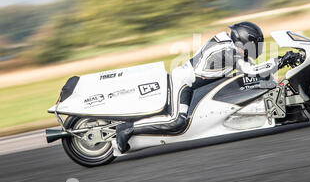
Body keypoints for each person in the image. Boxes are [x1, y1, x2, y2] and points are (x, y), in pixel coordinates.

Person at [116, 21, 300, 152]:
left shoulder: (230, 45)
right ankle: (128, 129)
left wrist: (279, 62)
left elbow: (250, 68)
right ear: (245, 41)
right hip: (183, 83)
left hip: (194, 81)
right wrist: (281, 60)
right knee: (178, 123)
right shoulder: (229, 51)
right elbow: (251, 70)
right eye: (255, 44)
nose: (257, 48)